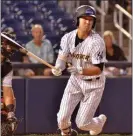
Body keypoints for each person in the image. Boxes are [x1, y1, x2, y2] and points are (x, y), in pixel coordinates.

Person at [52, 5, 107, 136]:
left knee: (82, 123)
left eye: (91, 19)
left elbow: (98, 69)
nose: (88, 22)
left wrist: (80, 69)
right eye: (84, 18)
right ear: (77, 20)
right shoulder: (67, 38)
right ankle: (68, 133)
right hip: (75, 80)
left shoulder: (97, 42)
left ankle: (99, 122)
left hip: (94, 83)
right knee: (62, 119)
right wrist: (58, 67)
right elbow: (62, 59)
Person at [1, 32, 18, 135]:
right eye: (7, 44)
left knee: (11, 102)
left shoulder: (7, 66)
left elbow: (7, 90)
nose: (9, 48)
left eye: (11, 45)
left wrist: (10, 111)